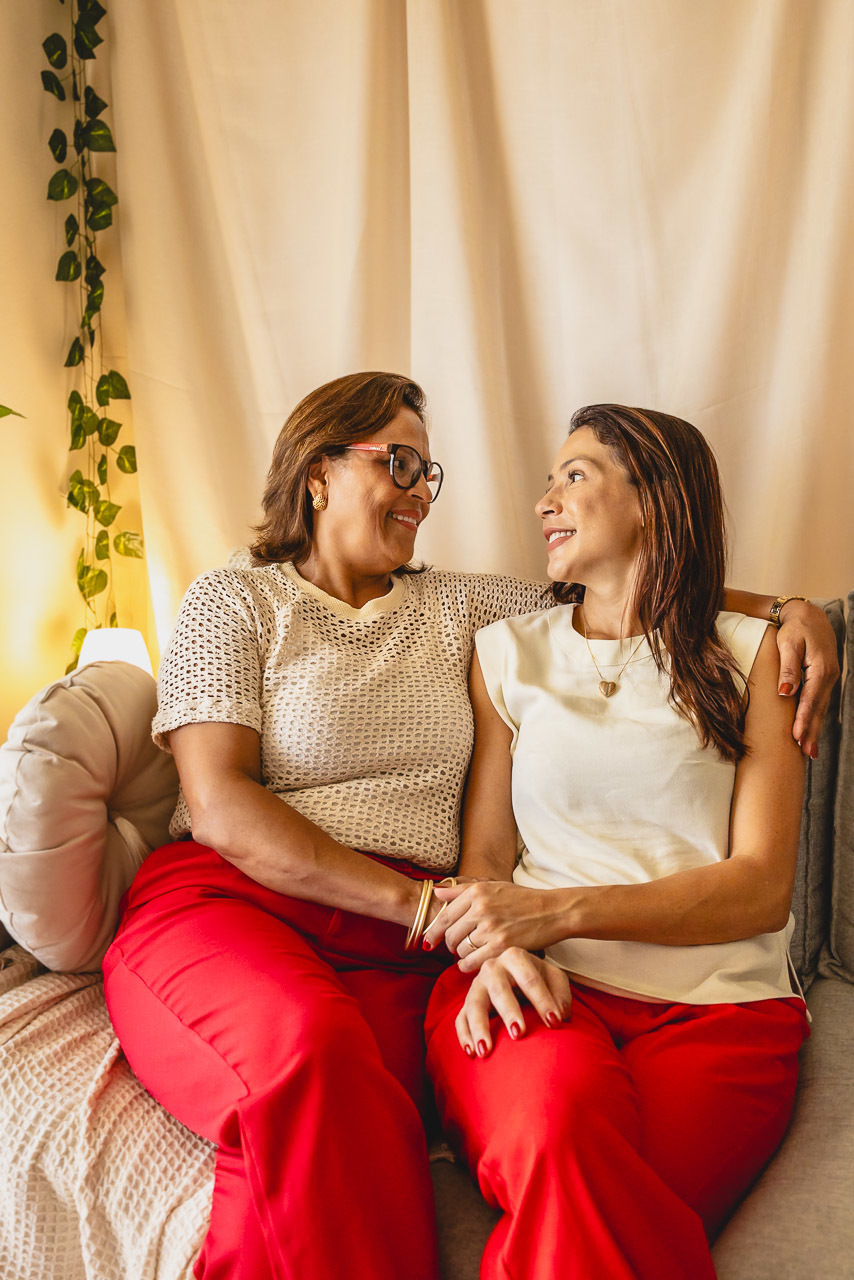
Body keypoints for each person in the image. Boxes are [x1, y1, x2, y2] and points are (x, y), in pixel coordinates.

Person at [101, 375, 835, 1280]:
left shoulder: (468, 611)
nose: (418, 490)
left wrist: (794, 612)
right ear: (317, 472)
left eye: (427, 472)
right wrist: (437, 911)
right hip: (242, 899)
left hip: (401, 944)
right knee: (310, 1056)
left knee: (370, 1114)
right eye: (397, 463)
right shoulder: (236, 601)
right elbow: (217, 804)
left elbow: (637, 587)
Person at [422, 403, 819, 1280]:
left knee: (594, 1216)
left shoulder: (756, 657)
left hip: (720, 1013)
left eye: (575, 475)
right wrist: (497, 951)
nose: (543, 501)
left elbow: (760, 888)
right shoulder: (506, 655)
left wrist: (552, 910)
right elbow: (484, 860)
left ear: (652, 499)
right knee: (565, 1141)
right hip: (537, 986)